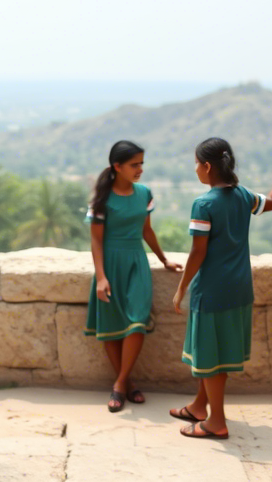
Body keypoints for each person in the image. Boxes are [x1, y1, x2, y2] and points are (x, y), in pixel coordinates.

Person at [171, 133, 272, 439]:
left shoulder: (203, 204)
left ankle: (216, 422)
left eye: (196, 164)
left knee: (209, 357)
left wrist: (181, 287)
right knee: (217, 352)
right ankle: (198, 406)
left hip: (212, 291)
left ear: (206, 167)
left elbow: (198, 252)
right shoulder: (243, 195)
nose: (194, 169)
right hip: (240, 288)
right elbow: (270, 203)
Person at [85, 141, 182, 411]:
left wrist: (164, 260)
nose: (140, 169)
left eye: (142, 163)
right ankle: (127, 383)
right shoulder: (102, 200)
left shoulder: (144, 193)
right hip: (111, 264)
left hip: (137, 263)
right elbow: (95, 241)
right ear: (117, 167)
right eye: (134, 164)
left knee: (137, 322)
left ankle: (119, 385)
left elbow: (146, 230)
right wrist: (101, 277)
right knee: (113, 328)